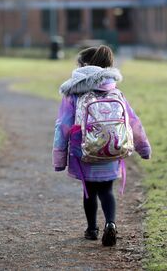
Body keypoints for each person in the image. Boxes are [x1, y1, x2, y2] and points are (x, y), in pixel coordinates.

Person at [52, 45, 151, 246]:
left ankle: (91, 229)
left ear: (84, 67)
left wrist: (59, 157)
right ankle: (111, 224)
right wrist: (144, 147)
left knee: (89, 191)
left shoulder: (74, 94)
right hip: (111, 149)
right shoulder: (117, 92)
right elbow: (133, 121)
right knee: (107, 191)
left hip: (85, 151)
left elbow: (63, 125)